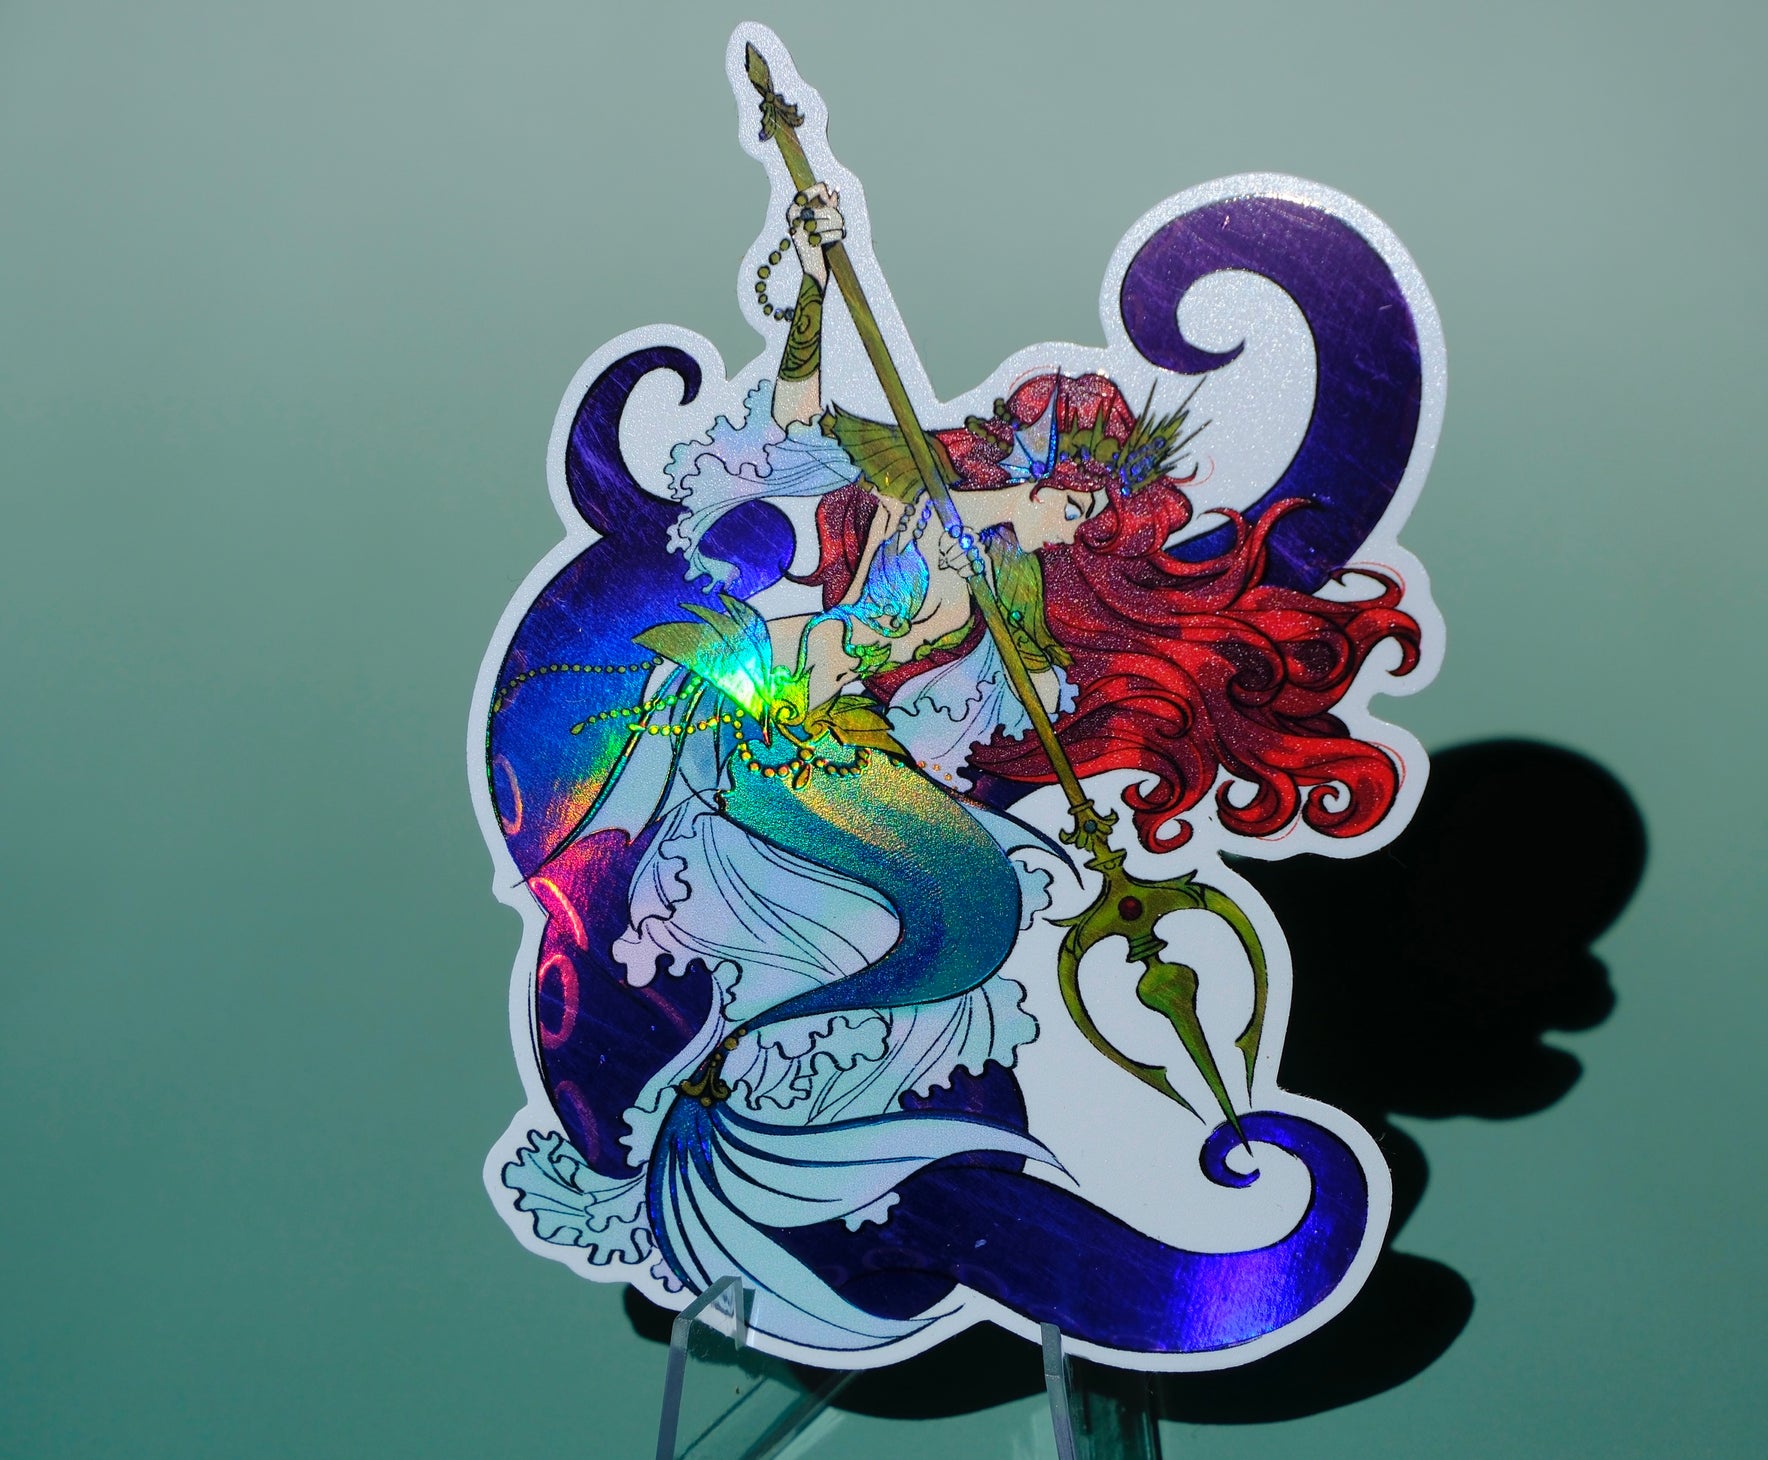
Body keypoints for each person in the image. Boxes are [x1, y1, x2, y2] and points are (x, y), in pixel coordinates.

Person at [502, 184, 1422, 1352]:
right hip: (770, 718)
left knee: (956, 929)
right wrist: (812, 286)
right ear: (1039, 478)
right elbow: (797, 420)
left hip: (848, 752)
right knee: (935, 910)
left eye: (1087, 512)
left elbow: (991, 712)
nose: (1075, 521)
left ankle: (728, 1107)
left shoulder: (1013, 595)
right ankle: (690, 1096)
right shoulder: (910, 498)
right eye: (1071, 499)